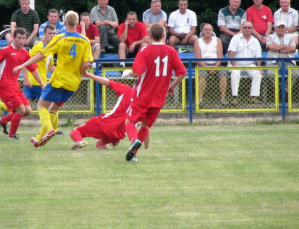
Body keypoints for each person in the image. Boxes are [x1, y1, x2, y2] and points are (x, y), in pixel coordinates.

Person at [13, 11, 93, 147]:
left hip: (59, 80)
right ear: (78, 23)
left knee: (41, 106)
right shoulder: (85, 40)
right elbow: (86, 64)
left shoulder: (60, 38)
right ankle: (39, 138)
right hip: (74, 82)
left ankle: (50, 129)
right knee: (53, 109)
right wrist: (80, 72)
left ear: (65, 23)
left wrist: (23, 64)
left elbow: (41, 55)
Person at [124, 23, 186, 162]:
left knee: (129, 121)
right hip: (159, 96)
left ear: (150, 36)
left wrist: (128, 72)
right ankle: (133, 155)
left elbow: (136, 72)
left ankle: (134, 140)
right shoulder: (171, 51)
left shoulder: (145, 50)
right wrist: (172, 86)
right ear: (164, 35)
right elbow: (182, 73)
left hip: (144, 95)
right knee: (145, 125)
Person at [0, 28, 45, 140]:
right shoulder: (6, 50)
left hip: (15, 86)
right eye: (19, 38)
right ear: (13, 38)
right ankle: (12, 135)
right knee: (21, 110)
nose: (21, 41)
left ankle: (3, 121)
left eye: (23, 38)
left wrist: (42, 84)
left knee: (27, 111)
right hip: (4, 86)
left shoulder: (24, 53)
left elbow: (33, 69)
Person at [70, 71, 135, 150]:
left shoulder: (127, 90)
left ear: (134, 85)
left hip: (106, 122)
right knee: (110, 140)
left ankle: (79, 141)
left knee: (76, 131)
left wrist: (89, 75)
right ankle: (109, 144)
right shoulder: (144, 100)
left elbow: (107, 82)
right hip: (120, 130)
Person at [228, 21, 263, 105]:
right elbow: (230, 53)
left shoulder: (255, 41)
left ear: (252, 29)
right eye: (245, 27)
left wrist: (259, 66)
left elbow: (258, 56)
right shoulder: (235, 38)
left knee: (258, 73)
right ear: (241, 28)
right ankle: (234, 97)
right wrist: (234, 65)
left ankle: (253, 97)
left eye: (249, 28)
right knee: (235, 72)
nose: (247, 29)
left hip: (249, 64)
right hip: (236, 63)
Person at [193, 23, 228, 106]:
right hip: (202, 65)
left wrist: (215, 67)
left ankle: (223, 98)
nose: (208, 31)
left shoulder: (217, 40)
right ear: (202, 31)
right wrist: (207, 68)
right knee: (202, 76)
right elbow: (198, 58)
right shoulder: (197, 42)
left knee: (223, 75)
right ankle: (200, 100)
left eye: (209, 30)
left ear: (212, 31)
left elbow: (220, 56)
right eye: (206, 30)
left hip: (216, 64)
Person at [265, 20, 299, 94]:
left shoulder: (291, 37)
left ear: (285, 29)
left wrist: (278, 49)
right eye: (278, 27)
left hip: (288, 61)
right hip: (274, 62)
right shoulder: (270, 37)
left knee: (296, 73)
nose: (280, 29)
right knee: (271, 73)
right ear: (275, 28)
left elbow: (292, 49)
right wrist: (284, 46)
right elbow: (271, 47)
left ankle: (285, 90)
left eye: (282, 27)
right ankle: (278, 90)